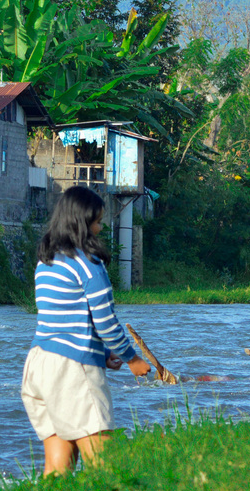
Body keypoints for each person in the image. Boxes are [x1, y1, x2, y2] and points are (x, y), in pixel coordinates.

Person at [21, 186, 152, 476]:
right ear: (81, 223)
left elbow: (64, 319)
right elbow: (106, 323)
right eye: (96, 221)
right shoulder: (89, 264)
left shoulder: (47, 261)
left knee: (57, 466)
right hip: (72, 368)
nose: (100, 227)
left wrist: (103, 353)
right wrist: (132, 358)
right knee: (103, 462)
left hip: (38, 364)